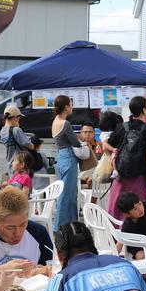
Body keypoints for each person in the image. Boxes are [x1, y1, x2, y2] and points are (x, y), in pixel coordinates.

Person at [105, 96, 146, 221]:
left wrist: (114, 158)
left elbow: (106, 145)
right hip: (138, 176)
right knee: (139, 206)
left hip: (120, 176)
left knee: (117, 206)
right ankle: (138, 235)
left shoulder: (122, 127)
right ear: (144, 110)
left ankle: (115, 234)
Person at [51, 95, 90, 229]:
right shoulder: (65, 123)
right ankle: (60, 227)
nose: (72, 107)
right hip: (68, 157)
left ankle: (71, 225)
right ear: (66, 107)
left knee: (67, 194)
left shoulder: (55, 121)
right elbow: (75, 143)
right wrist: (80, 137)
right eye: (71, 104)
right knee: (69, 195)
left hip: (61, 157)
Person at [0, 104, 34, 179]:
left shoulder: (2, 131)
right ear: (15, 118)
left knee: (15, 186)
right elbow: (29, 144)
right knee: (23, 187)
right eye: (19, 118)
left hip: (11, 163)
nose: (19, 120)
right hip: (21, 164)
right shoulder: (16, 130)